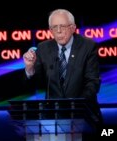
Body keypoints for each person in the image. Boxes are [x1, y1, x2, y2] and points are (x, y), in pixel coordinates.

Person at [21, 9, 103, 140]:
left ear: (73, 28)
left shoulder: (88, 46)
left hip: (83, 116)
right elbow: (35, 84)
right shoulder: (43, 48)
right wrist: (30, 69)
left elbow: (92, 83)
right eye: (54, 27)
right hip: (53, 118)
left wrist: (75, 108)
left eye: (62, 26)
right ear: (50, 30)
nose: (58, 31)